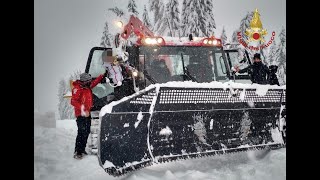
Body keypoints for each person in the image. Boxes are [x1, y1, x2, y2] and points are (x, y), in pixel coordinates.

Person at [71, 72, 105, 159]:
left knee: (86, 132)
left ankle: (82, 150)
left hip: (87, 114)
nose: (91, 82)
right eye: (89, 81)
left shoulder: (87, 86)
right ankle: (78, 152)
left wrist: (102, 75)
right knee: (81, 132)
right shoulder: (77, 89)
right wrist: (83, 109)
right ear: (84, 81)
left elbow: (95, 82)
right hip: (81, 114)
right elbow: (73, 101)